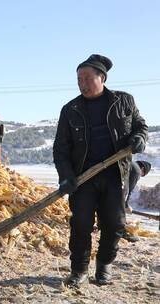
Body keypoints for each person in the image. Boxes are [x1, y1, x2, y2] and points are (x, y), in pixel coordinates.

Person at [53, 54, 148, 287]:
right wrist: (66, 177)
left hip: (115, 175)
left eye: (87, 78)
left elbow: (140, 127)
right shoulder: (70, 109)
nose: (82, 83)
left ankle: (104, 265)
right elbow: (60, 149)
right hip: (83, 178)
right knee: (81, 225)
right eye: (78, 79)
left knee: (114, 224)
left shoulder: (124, 101)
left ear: (102, 77)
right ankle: (79, 270)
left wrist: (138, 138)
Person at [121, 160, 151, 242]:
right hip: (116, 193)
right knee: (119, 211)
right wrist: (126, 205)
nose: (140, 176)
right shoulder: (136, 170)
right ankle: (122, 233)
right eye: (142, 174)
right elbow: (128, 190)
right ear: (142, 168)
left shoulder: (129, 163)